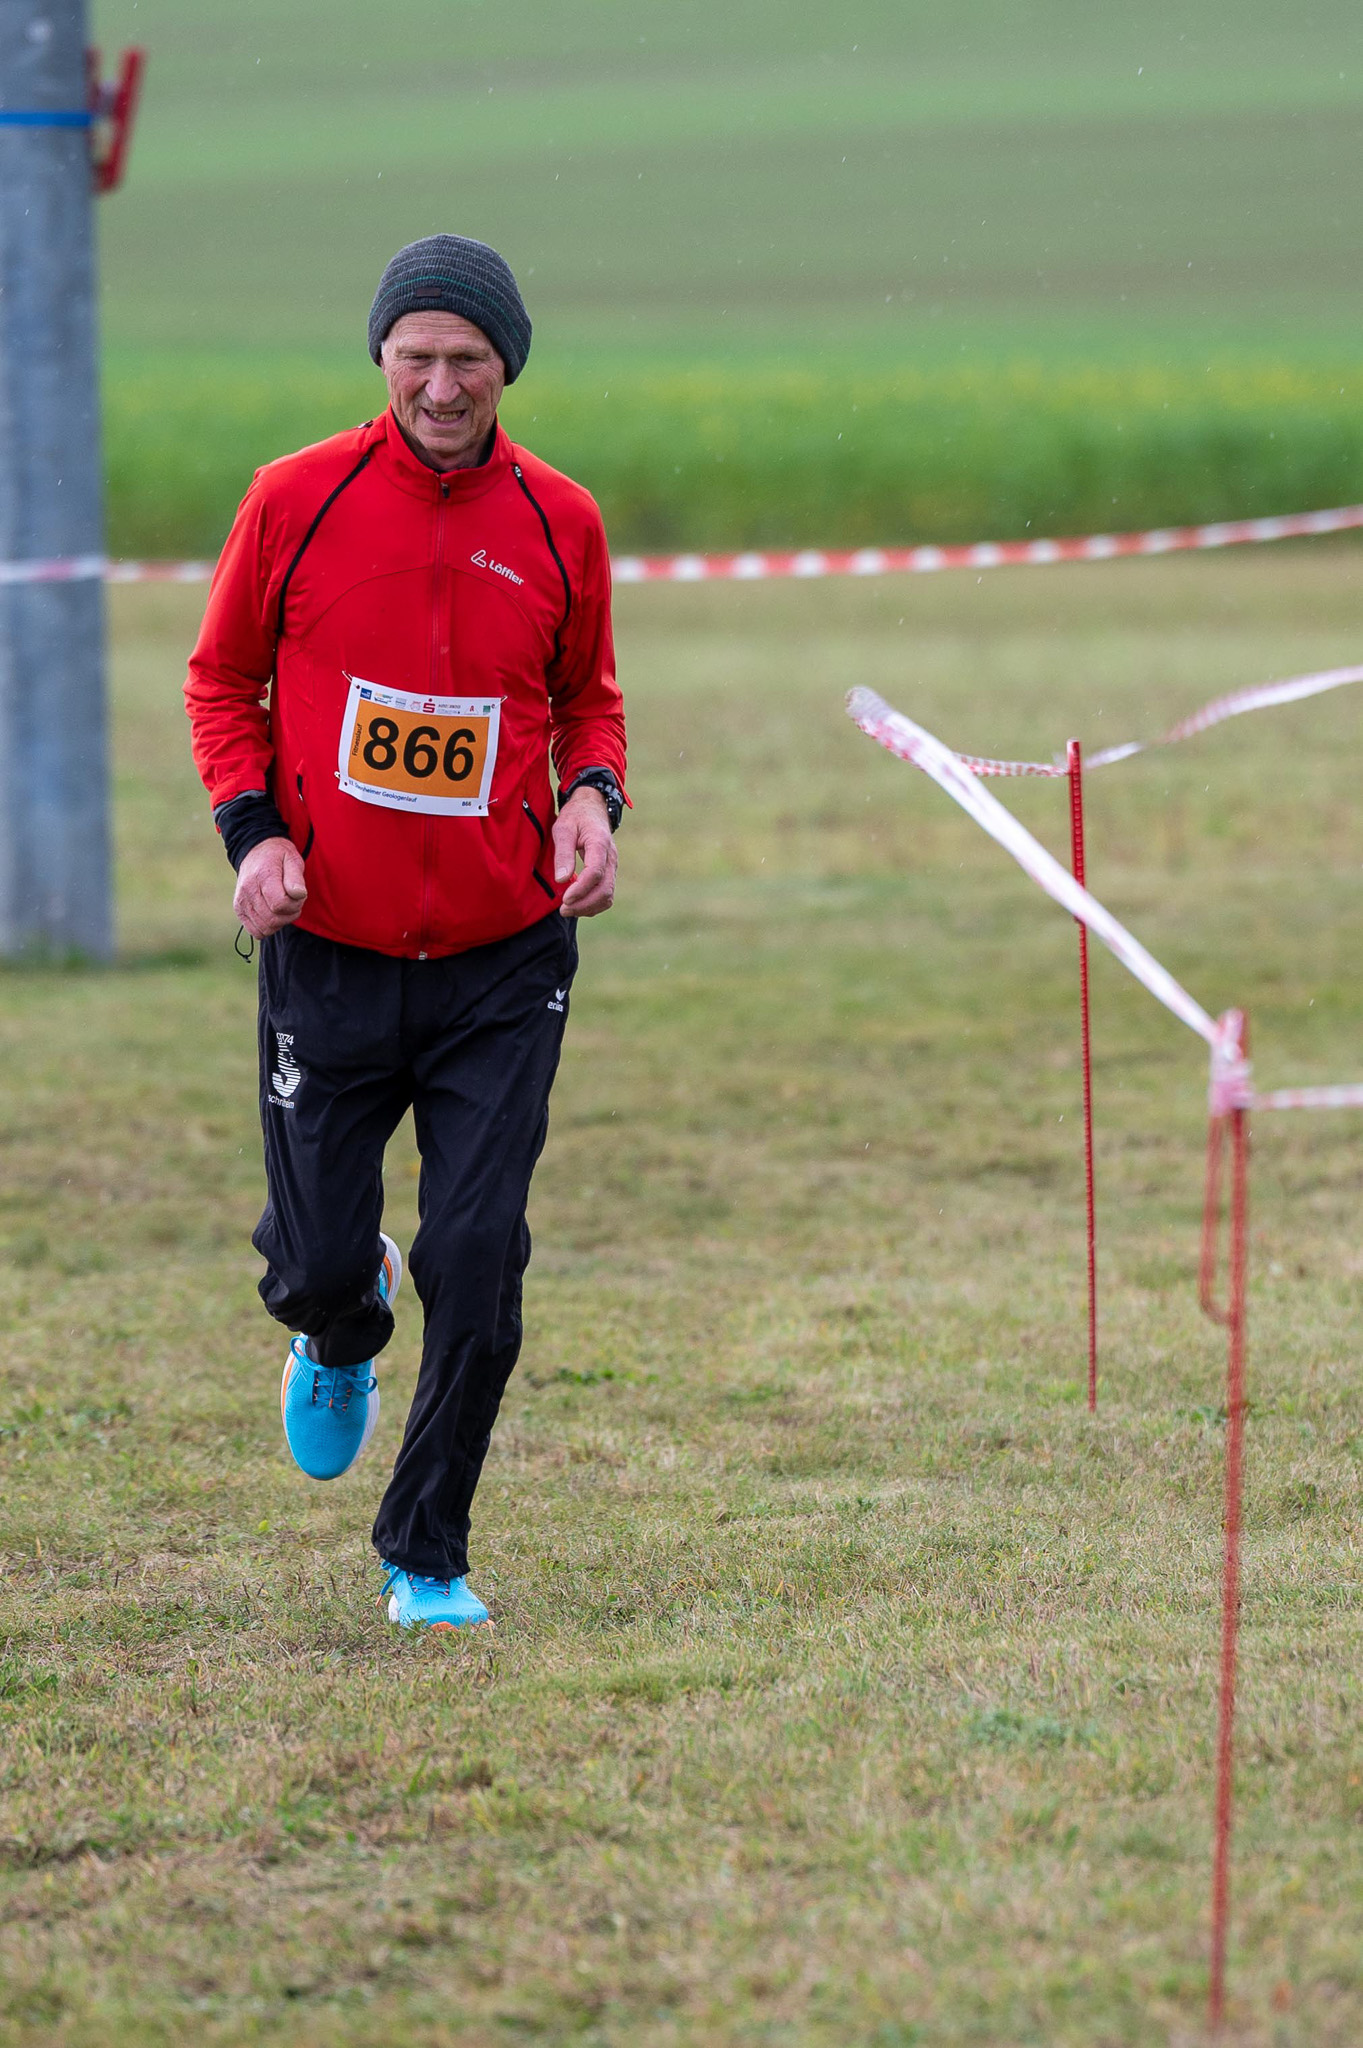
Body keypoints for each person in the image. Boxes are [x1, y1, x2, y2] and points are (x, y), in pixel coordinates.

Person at [184, 235, 627, 1631]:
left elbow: (588, 698)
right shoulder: (296, 499)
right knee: (317, 1262)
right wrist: (255, 835)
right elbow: (222, 680)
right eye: (417, 357)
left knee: (479, 1257)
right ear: (380, 357)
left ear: (508, 368)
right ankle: (341, 1320)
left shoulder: (560, 519)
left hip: (504, 956)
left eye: (468, 360)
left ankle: (427, 1553)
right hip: (332, 945)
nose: (441, 386)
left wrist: (593, 800)